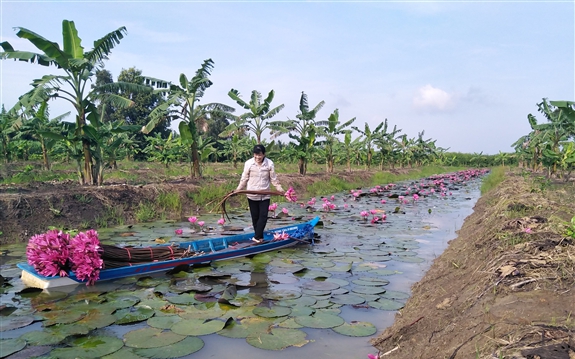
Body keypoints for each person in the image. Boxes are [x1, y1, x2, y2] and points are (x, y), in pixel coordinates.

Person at [236, 144, 284, 243]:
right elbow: (244, 179)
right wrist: (238, 190)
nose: (258, 157)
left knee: (263, 216)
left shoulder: (269, 164)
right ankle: (260, 238)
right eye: (256, 155)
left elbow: (273, 179)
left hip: (265, 195)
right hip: (252, 195)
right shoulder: (248, 163)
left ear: (264, 154)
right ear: (254, 154)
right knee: (255, 217)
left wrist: (280, 190)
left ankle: (256, 237)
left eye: (260, 155)